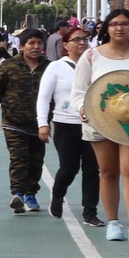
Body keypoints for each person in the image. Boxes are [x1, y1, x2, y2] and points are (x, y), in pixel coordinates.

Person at [74, 9, 129, 239]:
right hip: (100, 120)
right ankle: (113, 222)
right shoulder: (91, 56)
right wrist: (83, 109)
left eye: (125, 23)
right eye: (114, 23)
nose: (120, 27)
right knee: (108, 171)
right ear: (106, 28)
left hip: (127, 123)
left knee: (128, 170)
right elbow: (78, 92)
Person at [39, 24, 101, 225]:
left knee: (92, 169)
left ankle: (90, 211)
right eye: (77, 39)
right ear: (66, 45)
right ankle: (57, 195)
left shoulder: (96, 64)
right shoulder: (56, 67)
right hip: (66, 125)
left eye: (85, 38)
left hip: (93, 125)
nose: (82, 42)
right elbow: (44, 97)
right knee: (69, 167)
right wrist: (43, 123)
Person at [0, 28, 49, 214]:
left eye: (39, 43)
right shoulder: (9, 66)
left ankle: (31, 194)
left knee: (36, 160)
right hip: (13, 122)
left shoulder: (49, 67)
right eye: (31, 43)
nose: (36, 47)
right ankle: (18, 194)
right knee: (19, 158)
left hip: (39, 124)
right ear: (21, 46)